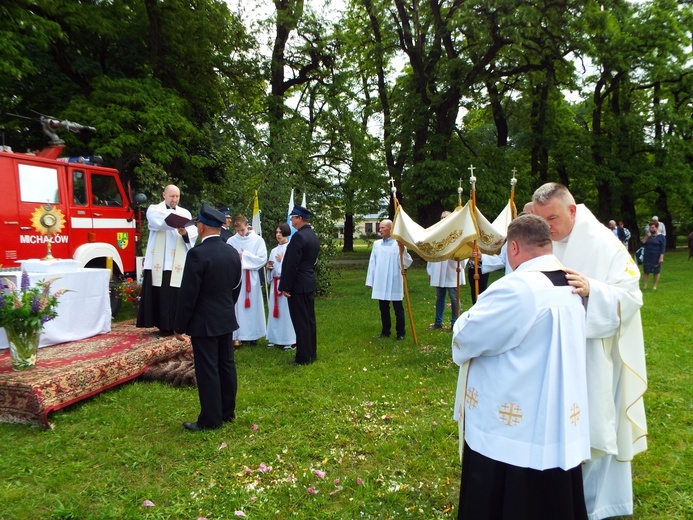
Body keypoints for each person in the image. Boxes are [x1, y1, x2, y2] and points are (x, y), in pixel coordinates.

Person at [452, 214, 590, 519]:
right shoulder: (571, 283)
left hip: (513, 427)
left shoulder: (517, 288)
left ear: (513, 247)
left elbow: (467, 335)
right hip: (554, 413)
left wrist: (460, 322)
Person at [532, 183, 646, 520]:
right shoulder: (546, 240)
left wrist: (592, 290)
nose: (546, 227)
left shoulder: (604, 244)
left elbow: (631, 298)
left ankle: (597, 505)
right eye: (541, 219)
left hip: (594, 357)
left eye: (551, 217)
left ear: (572, 210)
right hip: (554, 353)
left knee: (593, 426)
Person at [173, 204, 242, 431]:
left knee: (207, 369)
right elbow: (236, 286)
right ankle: (227, 411)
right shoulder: (231, 252)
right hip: (225, 316)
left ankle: (211, 419)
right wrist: (225, 306)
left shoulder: (197, 254)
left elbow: (188, 294)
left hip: (204, 321)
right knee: (226, 365)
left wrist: (179, 324)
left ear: (201, 226)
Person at [137, 184, 198, 336]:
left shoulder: (185, 212)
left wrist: (185, 232)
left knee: (175, 293)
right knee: (161, 293)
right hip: (160, 260)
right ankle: (162, 325)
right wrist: (174, 223)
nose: (174, 199)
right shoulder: (154, 209)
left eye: (177, 196)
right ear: (164, 194)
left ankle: (176, 325)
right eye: (172, 196)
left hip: (177, 260)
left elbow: (193, 231)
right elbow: (157, 223)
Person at [279, 205, 320, 365]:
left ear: (300, 218)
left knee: (301, 321)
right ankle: (311, 353)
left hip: (298, 284)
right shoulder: (312, 235)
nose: (291, 220)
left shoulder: (299, 237)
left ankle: (303, 357)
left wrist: (286, 286)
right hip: (308, 281)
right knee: (309, 320)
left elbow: (292, 264)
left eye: (293, 217)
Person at [366, 219, 413, 340]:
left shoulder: (398, 244)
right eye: (380, 228)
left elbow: (406, 262)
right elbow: (372, 263)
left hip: (394, 278)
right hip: (381, 279)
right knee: (383, 307)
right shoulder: (377, 244)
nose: (380, 230)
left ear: (390, 229)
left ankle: (401, 332)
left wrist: (402, 251)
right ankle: (385, 331)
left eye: (382, 228)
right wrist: (370, 281)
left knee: (398, 307)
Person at [227, 214, 267, 345]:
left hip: (252, 277)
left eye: (242, 230)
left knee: (253, 306)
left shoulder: (257, 240)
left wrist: (245, 256)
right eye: (237, 230)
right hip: (238, 277)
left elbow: (262, 259)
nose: (240, 233)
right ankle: (239, 335)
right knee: (238, 306)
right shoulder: (232, 241)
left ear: (247, 226)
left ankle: (253, 335)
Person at [427, 211, 465, 330]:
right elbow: (430, 252)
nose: (443, 219)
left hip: (452, 269)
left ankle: (455, 322)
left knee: (454, 298)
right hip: (438, 269)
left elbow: (464, 250)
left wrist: (461, 262)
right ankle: (438, 322)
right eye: (441, 217)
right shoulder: (436, 233)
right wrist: (430, 270)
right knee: (440, 297)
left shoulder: (457, 233)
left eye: (445, 217)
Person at [267, 222, 296, 350]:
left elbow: (293, 266)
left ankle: (289, 339)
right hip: (275, 283)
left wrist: (282, 261)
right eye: (277, 232)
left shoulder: (291, 248)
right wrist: (269, 268)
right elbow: (271, 267)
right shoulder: (273, 250)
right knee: (274, 311)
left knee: (285, 312)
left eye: (281, 232)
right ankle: (274, 337)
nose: (278, 235)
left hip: (284, 283)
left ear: (286, 233)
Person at [641, 220, 666, 290]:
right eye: (650, 228)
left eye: (653, 227)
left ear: (657, 228)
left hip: (657, 255)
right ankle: (645, 285)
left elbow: (663, 248)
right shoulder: (648, 235)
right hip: (647, 255)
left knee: (656, 271)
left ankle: (654, 286)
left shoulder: (661, 237)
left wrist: (661, 258)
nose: (651, 229)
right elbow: (642, 243)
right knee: (646, 271)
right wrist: (647, 236)